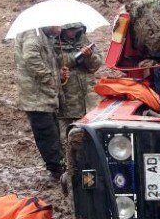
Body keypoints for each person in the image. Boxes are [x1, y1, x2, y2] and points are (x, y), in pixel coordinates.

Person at [16, 26, 66, 180]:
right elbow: (31, 58)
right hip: (36, 98)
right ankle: (57, 169)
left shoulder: (44, 36)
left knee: (53, 132)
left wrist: (59, 73)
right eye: (58, 25)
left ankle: (60, 165)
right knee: (47, 134)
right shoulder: (33, 34)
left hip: (45, 96)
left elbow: (46, 60)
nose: (61, 28)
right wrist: (49, 78)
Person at [55, 22, 102, 147]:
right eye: (71, 30)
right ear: (63, 30)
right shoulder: (53, 44)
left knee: (93, 136)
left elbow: (96, 65)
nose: (74, 32)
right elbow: (55, 63)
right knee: (66, 137)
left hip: (89, 99)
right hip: (67, 99)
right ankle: (68, 163)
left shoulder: (84, 40)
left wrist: (89, 56)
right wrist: (77, 57)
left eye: (77, 29)